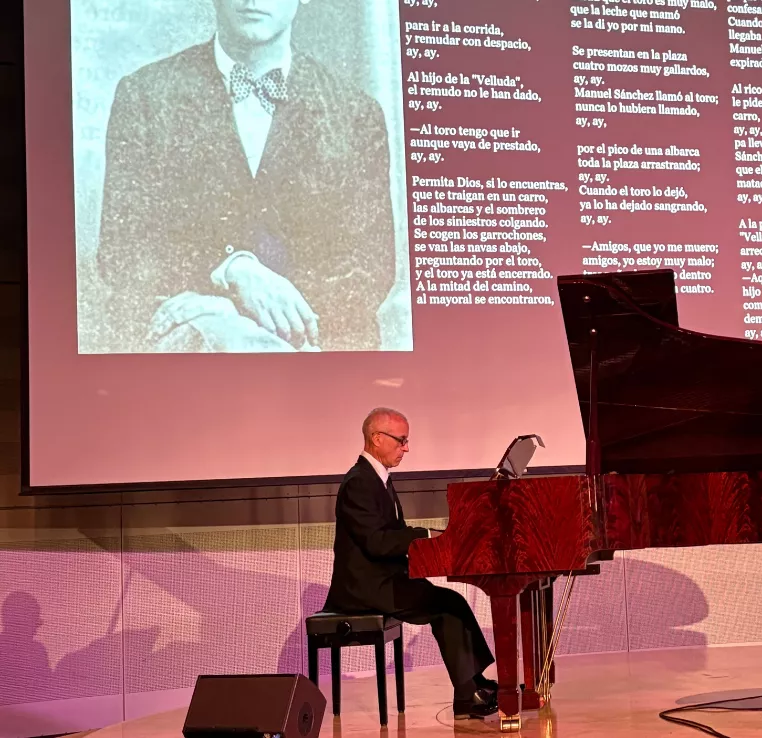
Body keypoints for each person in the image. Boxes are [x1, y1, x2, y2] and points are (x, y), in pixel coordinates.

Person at [96, 0, 395, 353]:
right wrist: (231, 271)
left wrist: (263, 321)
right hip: (195, 346)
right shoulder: (146, 96)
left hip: (319, 350)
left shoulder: (355, 114)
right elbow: (122, 251)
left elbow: (371, 268)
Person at [323, 408, 499, 720]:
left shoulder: (376, 478)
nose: (406, 448)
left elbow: (390, 535)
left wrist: (429, 538)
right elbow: (376, 542)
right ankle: (468, 692)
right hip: (364, 588)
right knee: (446, 604)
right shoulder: (359, 482)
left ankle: (473, 685)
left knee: (450, 601)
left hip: (383, 579)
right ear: (377, 438)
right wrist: (424, 535)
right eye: (401, 441)